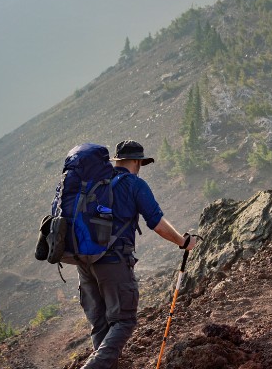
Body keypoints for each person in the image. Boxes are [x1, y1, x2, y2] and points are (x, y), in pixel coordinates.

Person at [78, 140, 198, 369]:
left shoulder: (97, 183)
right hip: (112, 261)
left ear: (116, 160)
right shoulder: (134, 184)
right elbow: (157, 223)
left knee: (101, 325)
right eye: (140, 162)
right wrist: (183, 242)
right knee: (124, 320)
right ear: (136, 161)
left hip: (83, 261)